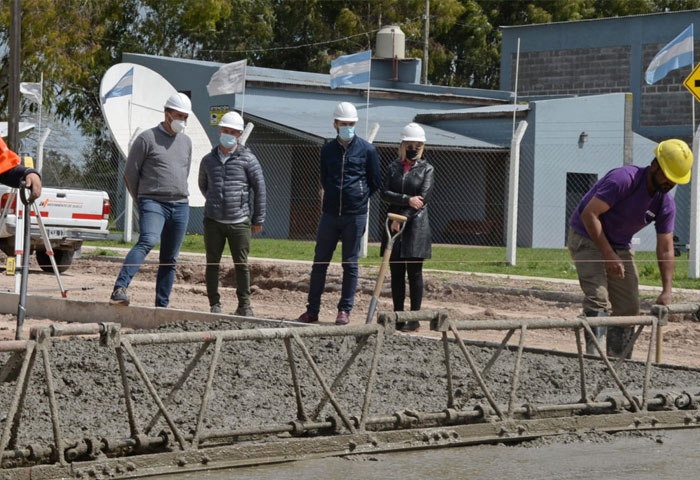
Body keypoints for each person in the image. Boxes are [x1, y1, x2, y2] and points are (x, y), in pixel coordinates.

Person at [567, 139, 693, 357]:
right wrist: (608, 254)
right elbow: (590, 214)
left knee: (629, 307)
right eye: (667, 176)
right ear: (655, 165)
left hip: (619, 244)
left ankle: (619, 364)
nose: (669, 183)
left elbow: (665, 247)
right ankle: (594, 361)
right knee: (598, 298)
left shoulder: (665, 203)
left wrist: (667, 290)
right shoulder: (623, 179)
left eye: (675, 180)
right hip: (587, 235)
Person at [297, 102, 381, 325]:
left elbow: (375, 182)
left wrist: (358, 197)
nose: (348, 128)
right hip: (330, 215)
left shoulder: (368, 150)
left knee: (350, 264)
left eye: (351, 124)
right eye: (344, 124)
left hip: (355, 215)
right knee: (320, 262)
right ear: (335, 124)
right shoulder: (327, 150)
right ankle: (312, 310)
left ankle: (344, 310)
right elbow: (325, 178)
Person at [109, 92, 193, 308]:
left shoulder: (186, 142)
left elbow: (184, 171)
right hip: (153, 202)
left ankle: (161, 307)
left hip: (181, 205)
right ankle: (120, 287)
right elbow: (130, 173)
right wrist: (142, 200)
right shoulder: (147, 138)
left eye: (185, 117)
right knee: (148, 240)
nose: (181, 121)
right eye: (178, 115)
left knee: (170, 259)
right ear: (167, 114)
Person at [198, 111, 266, 316]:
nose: (228, 134)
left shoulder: (248, 159)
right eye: (225, 130)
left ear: (238, 135)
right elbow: (203, 186)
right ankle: (214, 304)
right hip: (213, 221)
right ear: (220, 131)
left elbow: (260, 188)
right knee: (212, 263)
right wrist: (215, 202)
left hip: (239, 222)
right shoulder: (208, 160)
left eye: (233, 132)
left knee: (241, 264)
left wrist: (258, 218)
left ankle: (244, 305)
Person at [380, 123, 434, 332]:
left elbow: (423, 199)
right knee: (396, 273)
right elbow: (385, 193)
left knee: (414, 273)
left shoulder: (427, 169)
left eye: (417, 145)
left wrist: (402, 217)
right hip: (392, 226)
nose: (413, 148)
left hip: (415, 226)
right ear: (403, 144)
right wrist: (405, 199)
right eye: (410, 144)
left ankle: (414, 318)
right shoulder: (393, 167)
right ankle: (398, 316)